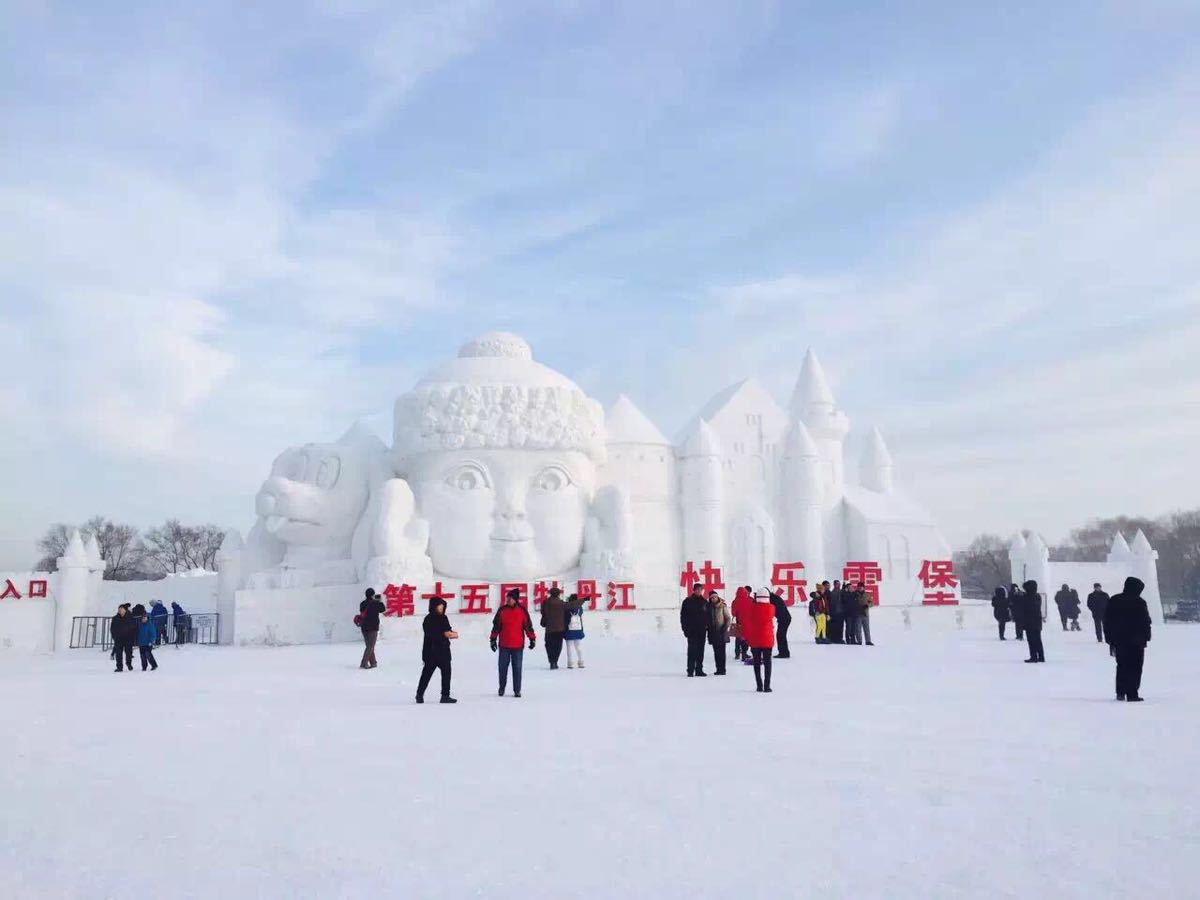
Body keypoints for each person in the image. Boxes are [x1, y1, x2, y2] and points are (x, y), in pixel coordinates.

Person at [1104, 576, 1152, 702]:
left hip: (1119, 640)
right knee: (1135, 667)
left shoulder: (1114, 600)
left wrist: (1109, 639)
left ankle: (1120, 692)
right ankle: (1132, 693)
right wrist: (1147, 636)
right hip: (1136, 640)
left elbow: (1107, 621)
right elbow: (1145, 621)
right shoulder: (1139, 602)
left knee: (1121, 665)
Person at [491, 589, 536, 697]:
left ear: (515, 599)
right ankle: (502, 688)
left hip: (517, 646)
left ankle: (517, 690)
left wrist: (532, 638)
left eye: (510, 598)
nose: (507, 599)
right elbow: (496, 626)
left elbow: (528, 626)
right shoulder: (502, 610)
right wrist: (493, 639)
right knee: (502, 668)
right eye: (507, 597)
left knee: (517, 668)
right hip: (504, 645)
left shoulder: (522, 611)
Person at [416, 596, 458, 703]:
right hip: (431, 652)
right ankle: (419, 695)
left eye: (442, 606)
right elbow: (431, 634)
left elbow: (448, 630)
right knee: (426, 674)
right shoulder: (428, 619)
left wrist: (452, 634)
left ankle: (445, 696)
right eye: (439, 606)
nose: (441, 608)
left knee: (447, 673)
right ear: (433, 607)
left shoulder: (444, 618)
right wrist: (444, 634)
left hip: (444, 651)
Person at [744, 590, 777, 692]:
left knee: (757, 663)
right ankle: (767, 686)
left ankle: (759, 685)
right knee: (767, 663)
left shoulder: (751, 608)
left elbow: (748, 620)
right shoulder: (772, 608)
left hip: (755, 639)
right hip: (767, 639)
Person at [680, 583, 709, 677]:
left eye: (700, 589)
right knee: (692, 651)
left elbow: (708, 616)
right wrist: (685, 630)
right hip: (691, 631)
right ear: (694, 590)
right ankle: (690, 670)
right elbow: (683, 617)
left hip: (702, 631)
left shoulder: (704, 602)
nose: (699, 591)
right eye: (697, 589)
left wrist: (707, 627)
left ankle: (699, 670)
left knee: (701, 651)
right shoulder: (687, 601)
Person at [540, 586, 567, 670]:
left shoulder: (545, 602)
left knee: (549, 645)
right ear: (559, 594)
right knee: (558, 645)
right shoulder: (562, 603)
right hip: (560, 628)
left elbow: (542, 612)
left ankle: (551, 661)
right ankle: (555, 661)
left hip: (549, 628)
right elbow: (566, 615)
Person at [358, 587, 386, 669]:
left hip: (364, 628)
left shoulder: (362, 603)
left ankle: (373, 662)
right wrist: (379, 601)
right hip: (373, 628)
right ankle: (364, 663)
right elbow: (383, 609)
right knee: (370, 646)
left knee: (369, 646)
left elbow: (362, 611)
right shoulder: (376, 603)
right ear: (373, 595)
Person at [1021, 580, 1046, 663]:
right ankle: (1041, 656)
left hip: (1029, 621)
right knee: (1038, 639)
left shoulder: (1026, 597)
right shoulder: (1037, 596)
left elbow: (1024, 608)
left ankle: (1033, 656)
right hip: (1037, 620)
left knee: (1031, 640)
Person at [707, 592, 731, 675]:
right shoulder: (708, 607)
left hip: (721, 632)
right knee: (716, 652)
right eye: (712, 597)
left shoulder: (722, 606)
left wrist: (724, 628)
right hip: (712, 632)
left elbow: (728, 618)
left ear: (717, 597)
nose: (714, 599)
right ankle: (718, 669)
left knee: (722, 651)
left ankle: (722, 669)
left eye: (715, 597)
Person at [110, 604, 137, 672]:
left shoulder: (130, 617)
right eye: (119, 609)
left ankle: (129, 664)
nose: (120, 611)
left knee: (128, 653)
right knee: (118, 654)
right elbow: (112, 628)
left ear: (125, 610)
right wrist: (114, 636)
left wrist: (133, 637)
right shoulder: (115, 618)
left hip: (128, 638)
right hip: (118, 639)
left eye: (122, 609)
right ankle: (119, 667)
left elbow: (134, 628)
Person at [563, 593, 586, 669]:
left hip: (569, 629)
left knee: (569, 647)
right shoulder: (580, 608)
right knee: (578, 647)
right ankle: (581, 662)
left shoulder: (567, 607)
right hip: (578, 629)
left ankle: (570, 663)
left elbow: (565, 617)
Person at [730, 586, 752, 661]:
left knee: (738, 638)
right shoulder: (749, 600)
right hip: (748, 623)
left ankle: (737, 654)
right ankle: (744, 654)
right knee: (745, 638)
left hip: (739, 622)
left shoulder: (735, 601)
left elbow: (733, 614)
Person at [770, 588, 792, 657]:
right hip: (784, 618)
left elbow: (778, 610)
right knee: (781, 635)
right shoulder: (774, 598)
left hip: (784, 619)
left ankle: (784, 653)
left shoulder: (773, 599)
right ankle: (784, 652)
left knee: (780, 635)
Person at [828, 579, 844, 644]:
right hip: (834, 612)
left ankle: (840, 638)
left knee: (840, 626)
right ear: (834, 585)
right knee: (834, 626)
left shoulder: (841, 591)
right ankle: (834, 639)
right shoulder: (832, 593)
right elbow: (832, 603)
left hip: (841, 612)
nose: (838, 585)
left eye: (839, 584)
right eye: (837, 584)